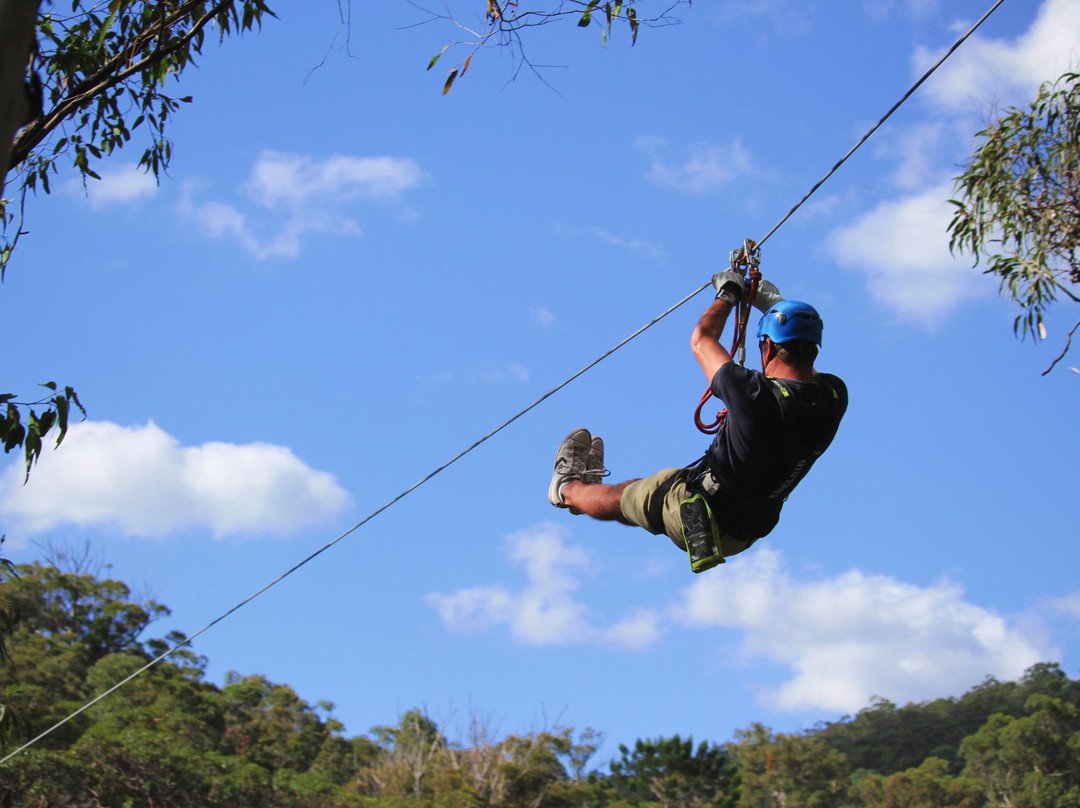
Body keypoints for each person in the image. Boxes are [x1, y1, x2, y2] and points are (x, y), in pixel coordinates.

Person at [547, 271, 847, 572]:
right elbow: (801, 373)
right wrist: (776, 306)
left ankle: (567, 489)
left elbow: (702, 340)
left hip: (701, 511)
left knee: (621, 499)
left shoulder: (752, 394)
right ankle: (586, 492)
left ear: (767, 346)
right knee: (649, 485)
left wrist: (728, 295)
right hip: (748, 526)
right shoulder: (834, 396)